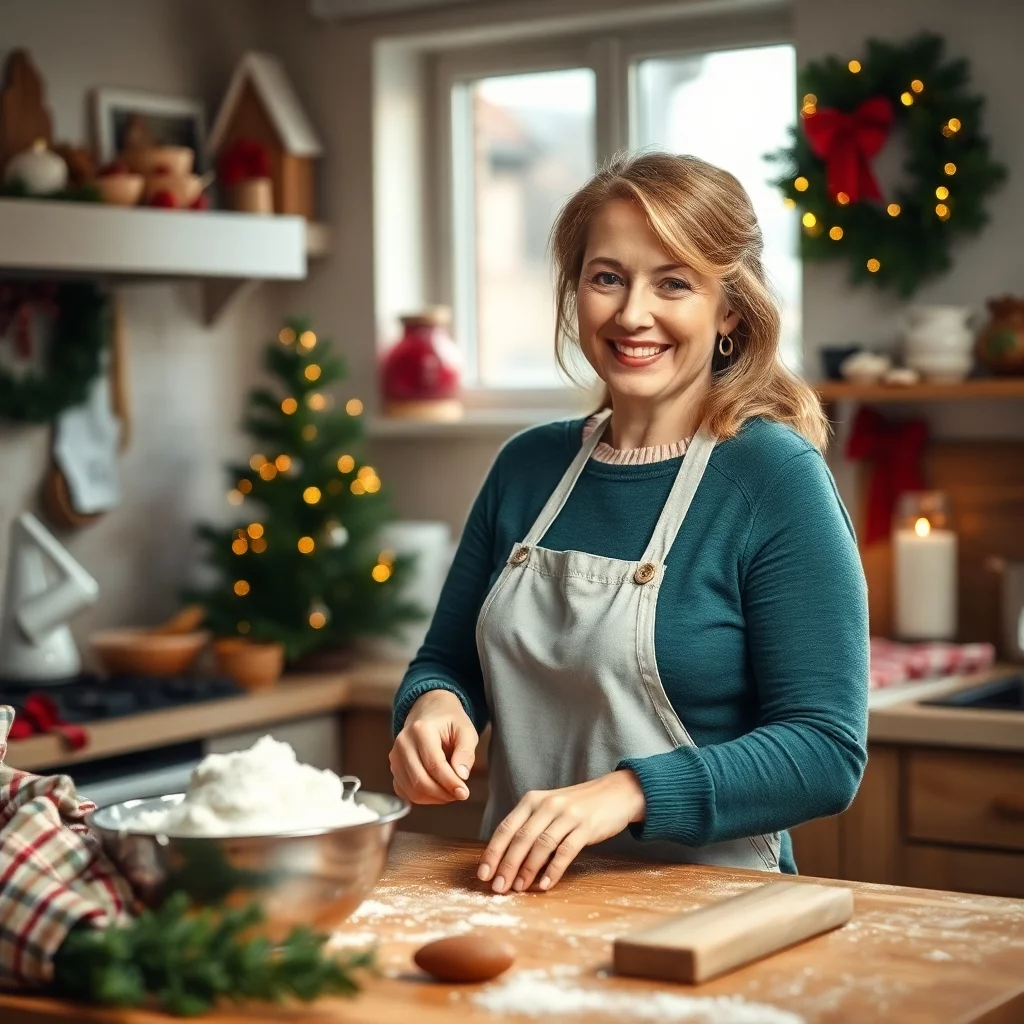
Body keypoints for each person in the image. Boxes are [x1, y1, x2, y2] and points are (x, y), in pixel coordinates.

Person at [389, 151, 869, 895]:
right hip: (522, 902)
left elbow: (825, 750)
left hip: (711, 913)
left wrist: (628, 792)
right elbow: (446, 660)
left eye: (673, 283)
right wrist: (432, 707)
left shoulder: (773, 479)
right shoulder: (528, 466)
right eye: (606, 277)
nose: (631, 314)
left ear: (729, 311)